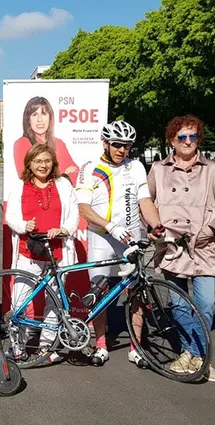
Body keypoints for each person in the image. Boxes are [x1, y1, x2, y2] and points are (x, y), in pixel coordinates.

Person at [147, 115, 215, 383]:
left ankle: (196, 355)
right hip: (172, 246)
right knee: (179, 304)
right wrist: (152, 228)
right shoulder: (158, 169)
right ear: (171, 140)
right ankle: (192, 354)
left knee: (206, 302)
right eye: (181, 137)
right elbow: (145, 202)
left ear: (199, 139)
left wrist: (212, 230)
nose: (187, 141)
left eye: (193, 136)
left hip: (202, 246)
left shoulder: (212, 169)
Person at [74, 120, 162, 367]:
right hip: (101, 236)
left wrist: (157, 225)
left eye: (127, 145)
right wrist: (110, 225)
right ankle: (101, 344)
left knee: (135, 291)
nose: (122, 150)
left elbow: (145, 201)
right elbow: (83, 208)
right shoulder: (90, 167)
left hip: (129, 236)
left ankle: (136, 346)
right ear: (105, 143)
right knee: (99, 292)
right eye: (117, 144)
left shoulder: (136, 167)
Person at [5, 144, 79, 363]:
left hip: (57, 253)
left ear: (53, 163)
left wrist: (64, 229)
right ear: (29, 164)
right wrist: (24, 225)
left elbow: (74, 214)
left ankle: (47, 346)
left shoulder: (63, 185)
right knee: (19, 302)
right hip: (28, 253)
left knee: (54, 303)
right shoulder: (20, 186)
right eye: (38, 161)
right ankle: (18, 345)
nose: (43, 165)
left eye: (47, 161)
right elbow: (11, 216)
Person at [13, 96, 79, 184]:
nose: (39, 119)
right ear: (28, 120)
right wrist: (64, 176)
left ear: (50, 117)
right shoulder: (22, 143)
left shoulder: (59, 143)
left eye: (44, 114)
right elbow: (26, 177)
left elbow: (77, 173)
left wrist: (54, 178)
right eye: (34, 114)